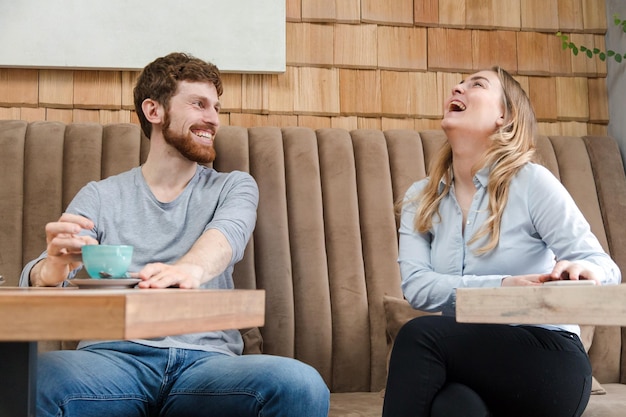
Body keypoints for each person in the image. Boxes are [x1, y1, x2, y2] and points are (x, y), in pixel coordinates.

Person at [19, 52, 330, 417]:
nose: (213, 119)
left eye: (216, 107)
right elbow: (45, 271)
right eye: (198, 104)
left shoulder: (234, 186)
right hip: (111, 360)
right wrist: (49, 272)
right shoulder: (101, 195)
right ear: (154, 111)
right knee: (27, 378)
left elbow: (226, 236)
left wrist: (189, 270)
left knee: (301, 384)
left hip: (208, 365)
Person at [382, 66, 621, 417]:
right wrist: (504, 285)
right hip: (472, 359)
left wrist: (584, 268)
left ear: (504, 116)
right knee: (452, 407)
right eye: (459, 83)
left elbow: (605, 268)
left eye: (475, 84)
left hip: (548, 361)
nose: (457, 88)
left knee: (419, 336)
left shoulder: (530, 182)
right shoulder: (421, 197)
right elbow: (417, 287)